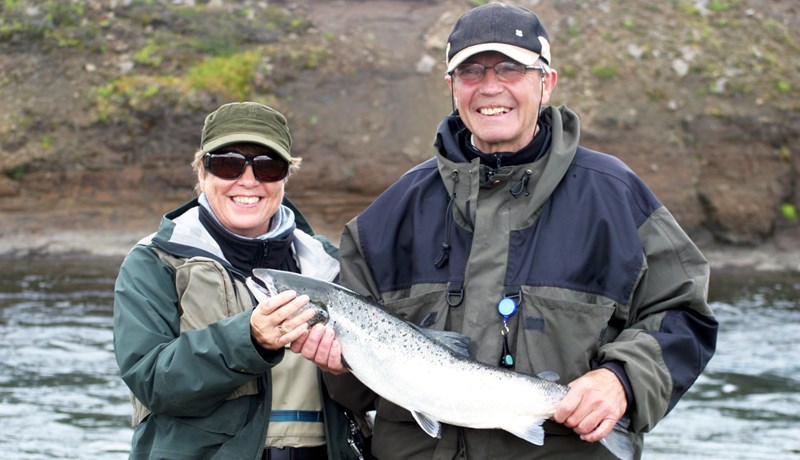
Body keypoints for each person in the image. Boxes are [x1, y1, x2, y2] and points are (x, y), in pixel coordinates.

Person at [308, 3, 719, 459]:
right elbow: (357, 398)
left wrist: (622, 380)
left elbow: (685, 314)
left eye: (510, 68)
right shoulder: (386, 217)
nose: (490, 87)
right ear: (451, 87)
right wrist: (338, 367)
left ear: (547, 84)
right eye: (471, 72)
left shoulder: (615, 196)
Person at [113, 101, 359, 460]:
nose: (248, 181)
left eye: (268, 167)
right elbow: (151, 381)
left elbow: (371, 390)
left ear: (285, 177)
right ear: (202, 172)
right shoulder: (153, 261)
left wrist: (344, 371)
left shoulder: (329, 264)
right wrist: (250, 339)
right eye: (228, 164)